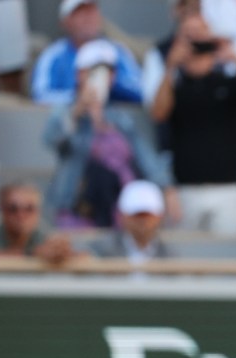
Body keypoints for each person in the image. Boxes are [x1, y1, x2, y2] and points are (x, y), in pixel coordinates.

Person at [149, 12, 236, 236]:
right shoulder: (176, 85)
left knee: (228, 259)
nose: (196, 40)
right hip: (186, 190)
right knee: (185, 263)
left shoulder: (229, 80)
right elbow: (158, 113)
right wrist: (170, 67)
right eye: (189, 34)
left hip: (227, 188)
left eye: (201, 33)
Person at [42, 41, 176, 229]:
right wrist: (78, 111)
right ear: (79, 74)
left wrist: (167, 189)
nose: (103, 78)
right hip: (78, 211)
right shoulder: (65, 112)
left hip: (120, 214)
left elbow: (145, 157)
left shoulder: (121, 118)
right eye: (93, 71)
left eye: (109, 72)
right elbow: (52, 139)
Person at [30, 0, 144, 106]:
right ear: (65, 21)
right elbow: (40, 96)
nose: (88, 17)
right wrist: (78, 98)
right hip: (69, 124)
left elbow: (143, 92)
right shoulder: (53, 56)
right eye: (80, 12)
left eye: (92, 10)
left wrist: (113, 84)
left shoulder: (118, 52)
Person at [0, 183, 78, 265]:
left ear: (39, 212)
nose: (21, 215)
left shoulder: (45, 234)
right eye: (13, 209)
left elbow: (81, 255)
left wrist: (63, 253)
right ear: (2, 210)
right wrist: (33, 255)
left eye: (29, 209)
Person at [92, 180, 175, 265]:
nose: (142, 221)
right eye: (136, 215)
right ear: (123, 216)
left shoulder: (171, 255)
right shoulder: (103, 250)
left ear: (159, 217)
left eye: (147, 215)